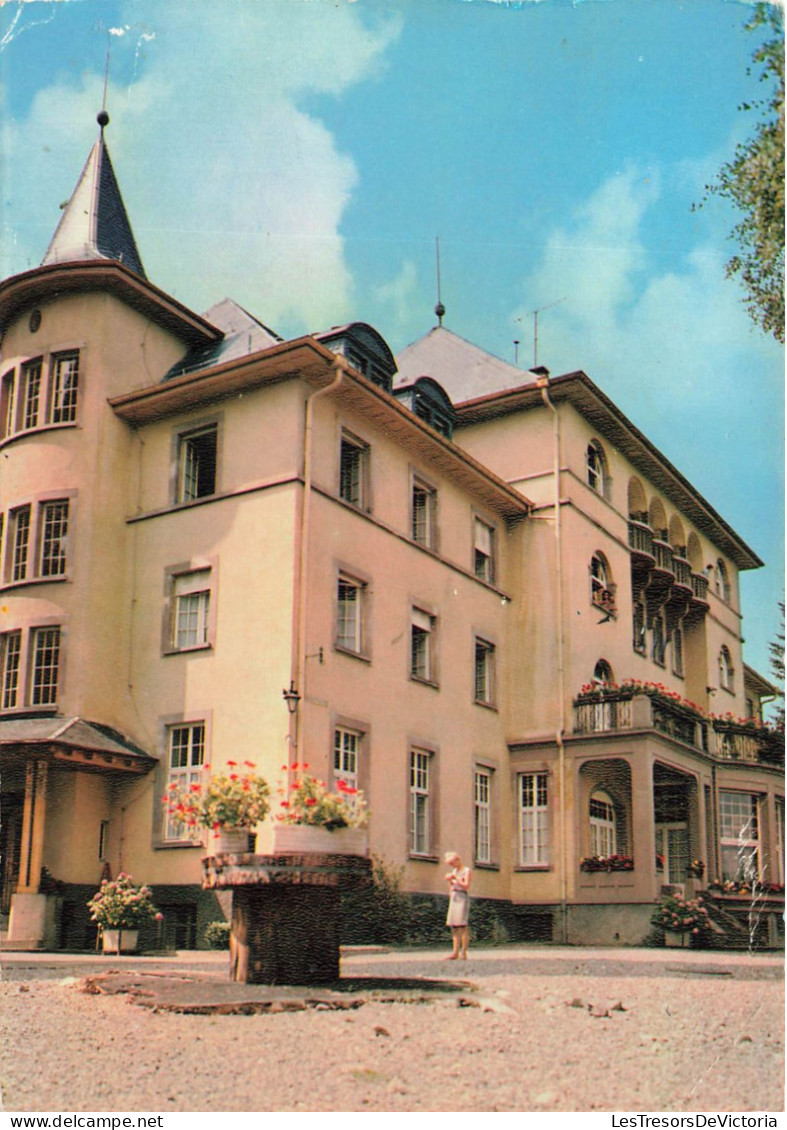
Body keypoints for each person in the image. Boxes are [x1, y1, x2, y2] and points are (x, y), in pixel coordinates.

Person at [443, 851, 472, 959]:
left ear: (457, 860)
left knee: (462, 925)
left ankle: (463, 952)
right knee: (454, 926)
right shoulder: (454, 871)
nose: (452, 866)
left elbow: (466, 885)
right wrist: (450, 881)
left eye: (452, 863)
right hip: (454, 897)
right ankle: (455, 952)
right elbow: (451, 885)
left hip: (462, 896)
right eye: (450, 865)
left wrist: (456, 879)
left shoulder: (467, 870)